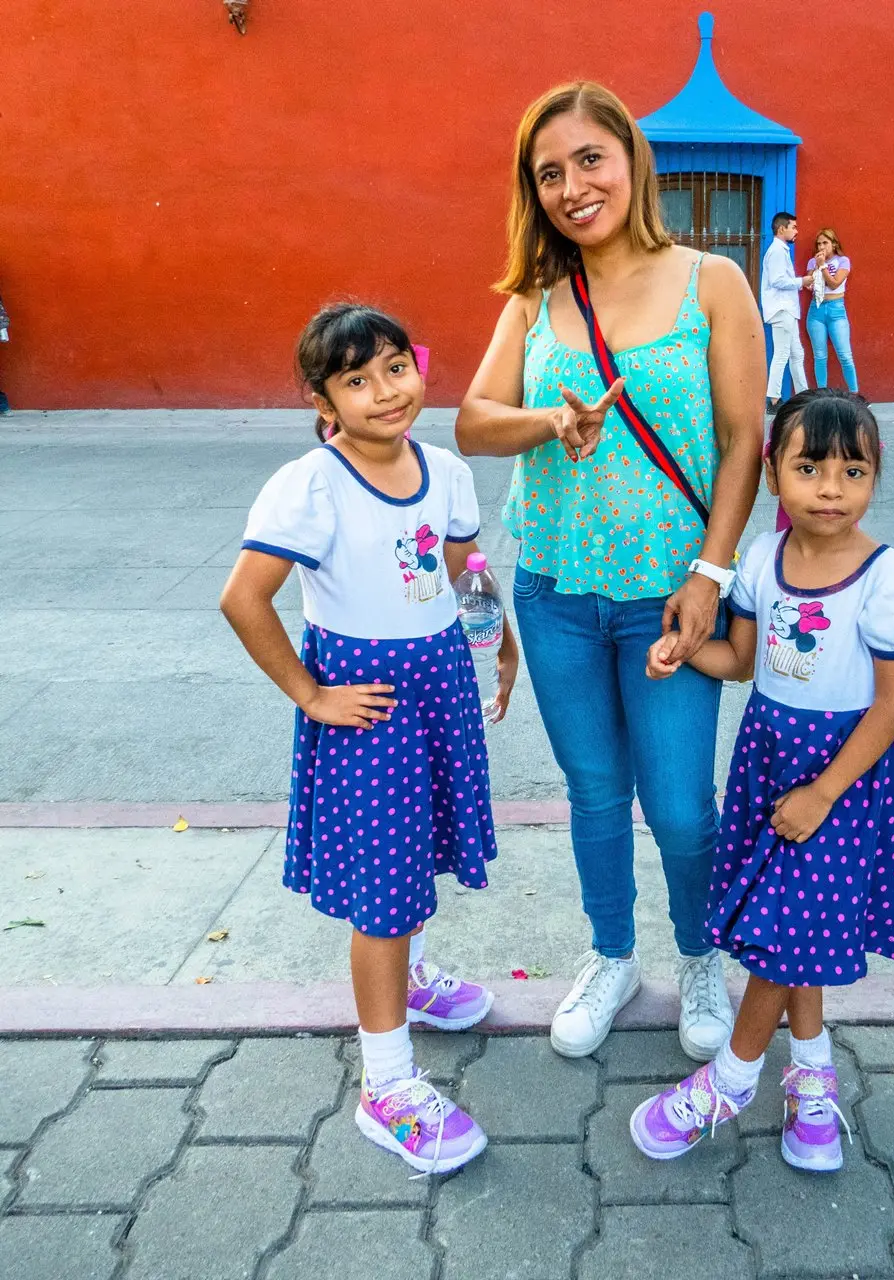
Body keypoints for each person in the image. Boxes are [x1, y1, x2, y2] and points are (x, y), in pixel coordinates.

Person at [455, 83, 766, 1062]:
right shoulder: (535, 299)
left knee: (679, 805)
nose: (569, 186)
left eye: (588, 159)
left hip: (668, 601)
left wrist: (711, 573)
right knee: (593, 791)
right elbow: (471, 420)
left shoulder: (711, 279)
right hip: (554, 592)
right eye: (547, 172)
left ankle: (700, 954)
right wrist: (551, 419)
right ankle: (611, 950)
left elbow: (742, 437)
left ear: (631, 161)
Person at [221, 303, 519, 1174]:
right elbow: (245, 598)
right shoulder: (308, 486)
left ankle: (414, 980)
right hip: (370, 702)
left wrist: (498, 645)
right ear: (324, 400)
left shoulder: (448, 470)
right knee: (383, 891)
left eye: (396, 367)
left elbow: (465, 567)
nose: (386, 391)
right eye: (357, 380)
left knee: (417, 851)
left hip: (440, 683)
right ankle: (385, 1086)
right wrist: (311, 693)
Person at [632, 389, 894, 1172]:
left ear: (875, 478)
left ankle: (731, 1081)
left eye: (853, 470)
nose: (831, 488)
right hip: (770, 760)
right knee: (793, 927)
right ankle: (810, 1074)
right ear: (773, 474)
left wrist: (825, 792)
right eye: (809, 468)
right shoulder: (761, 563)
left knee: (780, 937)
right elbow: (741, 661)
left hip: (840, 779)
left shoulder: (887, 580)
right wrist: (679, 652)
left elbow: (893, 706)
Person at [761, 212, 812, 414]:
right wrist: (802, 281)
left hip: (786, 309)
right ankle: (773, 400)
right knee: (783, 354)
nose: (796, 231)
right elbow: (777, 280)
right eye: (793, 227)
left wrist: (800, 282)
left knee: (795, 353)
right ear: (782, 229)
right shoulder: (777, 251)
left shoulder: (779, 250)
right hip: (782, 309)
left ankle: (803, 395)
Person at [804, 228, 858, 391]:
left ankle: (855, 393)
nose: (821, 247)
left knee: (845, 355)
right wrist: (816, 268)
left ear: (834, 244)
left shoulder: (843, 261)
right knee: (820, 356)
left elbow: (834, 283)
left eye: (825, 243)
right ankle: (822, 393)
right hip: (816, 310)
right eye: (819, 243)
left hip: (836, 310)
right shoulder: (812, 262)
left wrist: (823, 267)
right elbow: (809, 285)